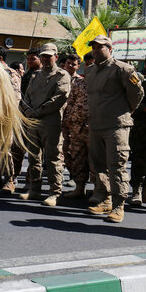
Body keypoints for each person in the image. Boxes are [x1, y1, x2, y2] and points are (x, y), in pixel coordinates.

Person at [85, 35, 143, 223]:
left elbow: (137, 94)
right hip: (95, 125)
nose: (95, 50)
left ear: (110, 49)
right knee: (99, 166)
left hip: (116, 126)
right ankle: (105, 200)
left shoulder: (123, 69)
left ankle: (119, 206)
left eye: (100, 47)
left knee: (116, 166)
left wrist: (127, 111)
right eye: (93, 47)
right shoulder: (90, 71)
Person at [19, 43, 71, 206]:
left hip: (50, 121)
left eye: (49, 56)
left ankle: (54, 193)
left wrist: (39, 111)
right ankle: (34, 189)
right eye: (43, 56)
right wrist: (28, 111)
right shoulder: (35, 76)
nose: (46, 59)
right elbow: (26, 97)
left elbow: (60, 97)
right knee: (33, 157)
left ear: (56, 56)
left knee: (53, 158)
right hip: (33, 121)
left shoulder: (62, 75)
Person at [0, 46, 22, 191]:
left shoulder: (11, 73)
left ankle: (9, 180)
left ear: (0, 58)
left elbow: (16, 97)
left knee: (5, 149)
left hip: (5, 117)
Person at [61, 54, 90, 198]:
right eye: (68, 63)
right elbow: (70, 103)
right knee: (71, 153)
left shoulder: (83, 81)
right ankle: (78, 184)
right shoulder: (61, 78)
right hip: (70, 124)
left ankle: (99, 191)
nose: (70, 66)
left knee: (93, 158)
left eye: (74, 64)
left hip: (90, 127)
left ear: (79, 66)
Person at [129, 52, 146, 206]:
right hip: (141, 127)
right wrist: (144, 108)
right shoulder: (136, 78)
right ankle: (136, 190)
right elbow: (127, 96)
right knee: (139, 158)